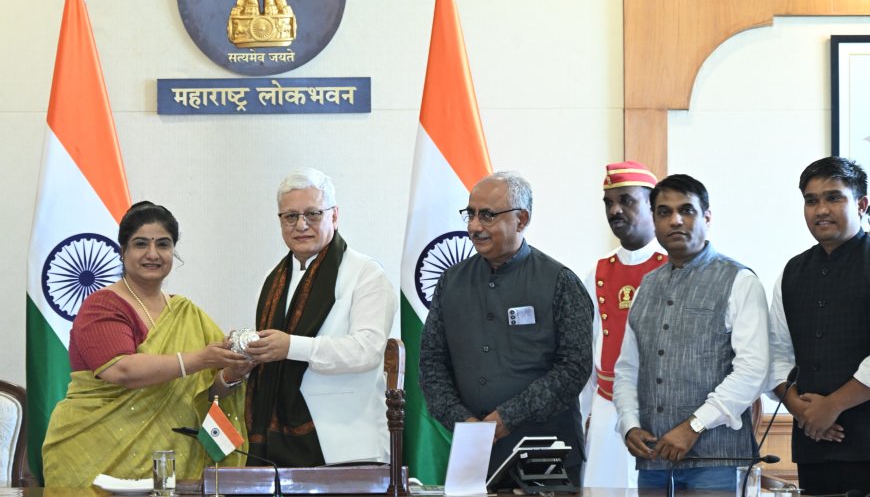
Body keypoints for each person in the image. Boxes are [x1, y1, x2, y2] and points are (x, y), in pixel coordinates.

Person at [42, 201, 252, 487]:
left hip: (166, 463)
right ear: (123, 251)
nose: (152, 254)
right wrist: (202, 359)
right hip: (93, 456)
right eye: (141, 244)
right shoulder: (101, 306)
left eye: (163, 244)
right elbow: (122, 370)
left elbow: (204, 393)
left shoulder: (187, 313)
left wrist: (232, 374)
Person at [419, 171, 593, 485]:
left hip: (545, 453)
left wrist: (507, 417)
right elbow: (431, 363)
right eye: (470, 214)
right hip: (474, 452)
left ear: (521, 219)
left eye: (487, 215)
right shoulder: (450, 282)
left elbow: (574, 368)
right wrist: (464, 422)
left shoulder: (560, 282)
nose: (474, 226)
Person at [613, 174, 769, 491]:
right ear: (654, 220)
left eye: (686, 210)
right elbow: (628, 369)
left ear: (707, 217)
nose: (675, 220)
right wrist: (629, 424)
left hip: (717, 462)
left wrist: (694, 426)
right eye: (664, 212)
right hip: (654, 460)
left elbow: (753, 370)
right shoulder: (646, 286)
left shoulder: (739, 280)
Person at [243, 167, 397, 467]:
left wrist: (291, 346)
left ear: (334, 216)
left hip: (348, 442)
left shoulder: (365, 273)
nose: (301, 225)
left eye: (312, 214)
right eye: (291, 216)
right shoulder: (273, 279)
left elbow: (366, 350)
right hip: (276, 443)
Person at [768, 157, 870, 495]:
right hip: (813, 445)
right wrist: (801, 411)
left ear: (861, 204)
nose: (821, 209)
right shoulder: (792, 272)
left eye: (833, 197)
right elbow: (776, 353)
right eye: (811, 200)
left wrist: (833, 405)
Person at [581, 161, 666, 489]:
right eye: (609, 202)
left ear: (652, 205)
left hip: (659, 409)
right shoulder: (597, 272)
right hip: (606, 407)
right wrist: (582, 415)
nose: (615, 210)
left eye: (626, 201)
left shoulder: (673, 267)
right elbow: (588, 351)